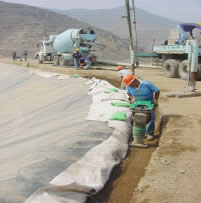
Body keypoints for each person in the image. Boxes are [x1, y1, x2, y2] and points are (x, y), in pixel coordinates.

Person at [122, 75, 160, 140]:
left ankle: (149, 133)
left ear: (134, 81)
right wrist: (132, 98)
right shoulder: (128, 86)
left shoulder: (146, 84)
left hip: (149, 102)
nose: (130, 86)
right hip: (138, 102)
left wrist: (155, 100)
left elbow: (157, 91)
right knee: (137, 117)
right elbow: (128, 93)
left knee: (150, 118)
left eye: (130, 84)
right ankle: (139, 132)